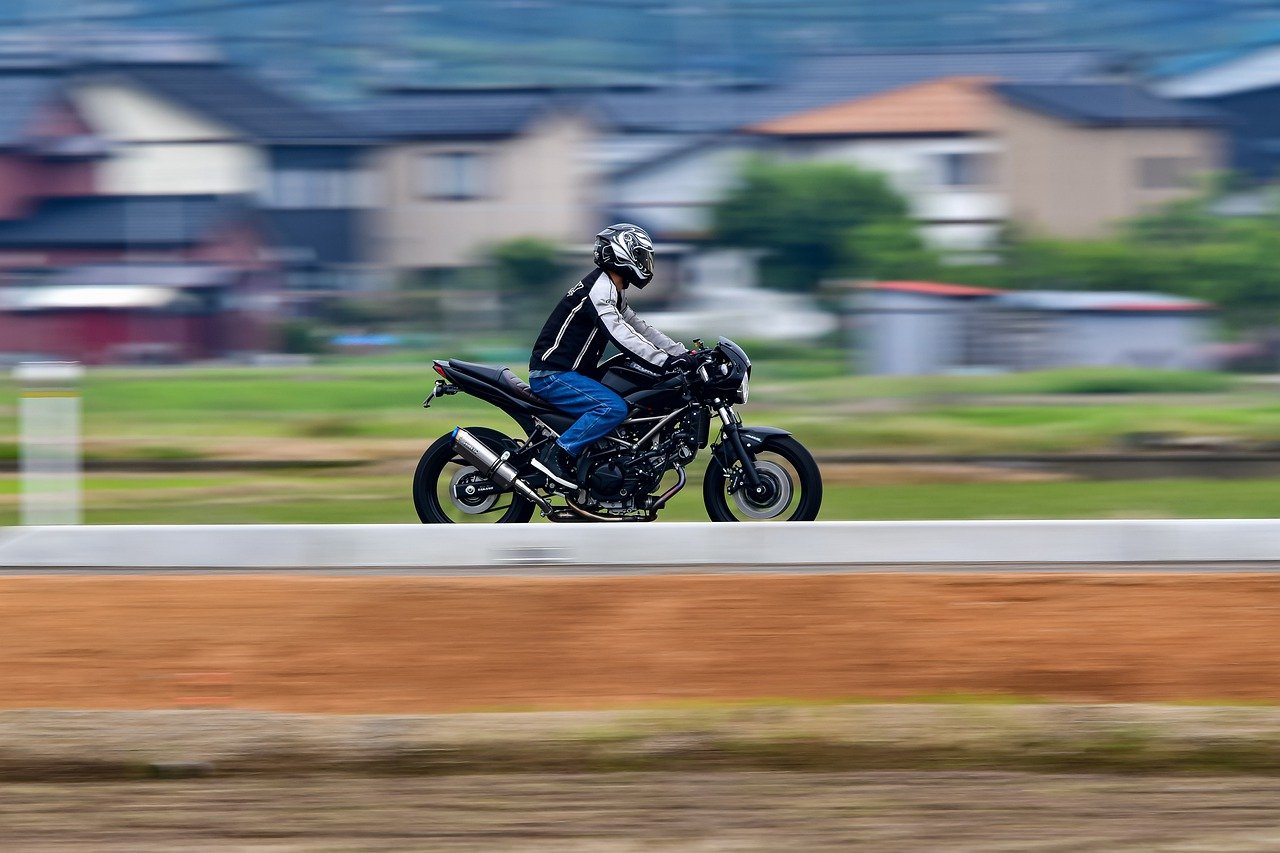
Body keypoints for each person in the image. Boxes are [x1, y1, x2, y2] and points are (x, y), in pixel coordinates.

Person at [528, 223, 694, 488]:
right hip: (553, 375)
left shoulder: (612, 291)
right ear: (621, 254)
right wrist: (665, 362)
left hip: (571, 374)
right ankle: (556, 453)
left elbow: (640, 329)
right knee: (612, 408)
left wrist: (684, 353)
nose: (646, 263)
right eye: (640, 256)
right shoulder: (599, 291)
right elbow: (621, 335)